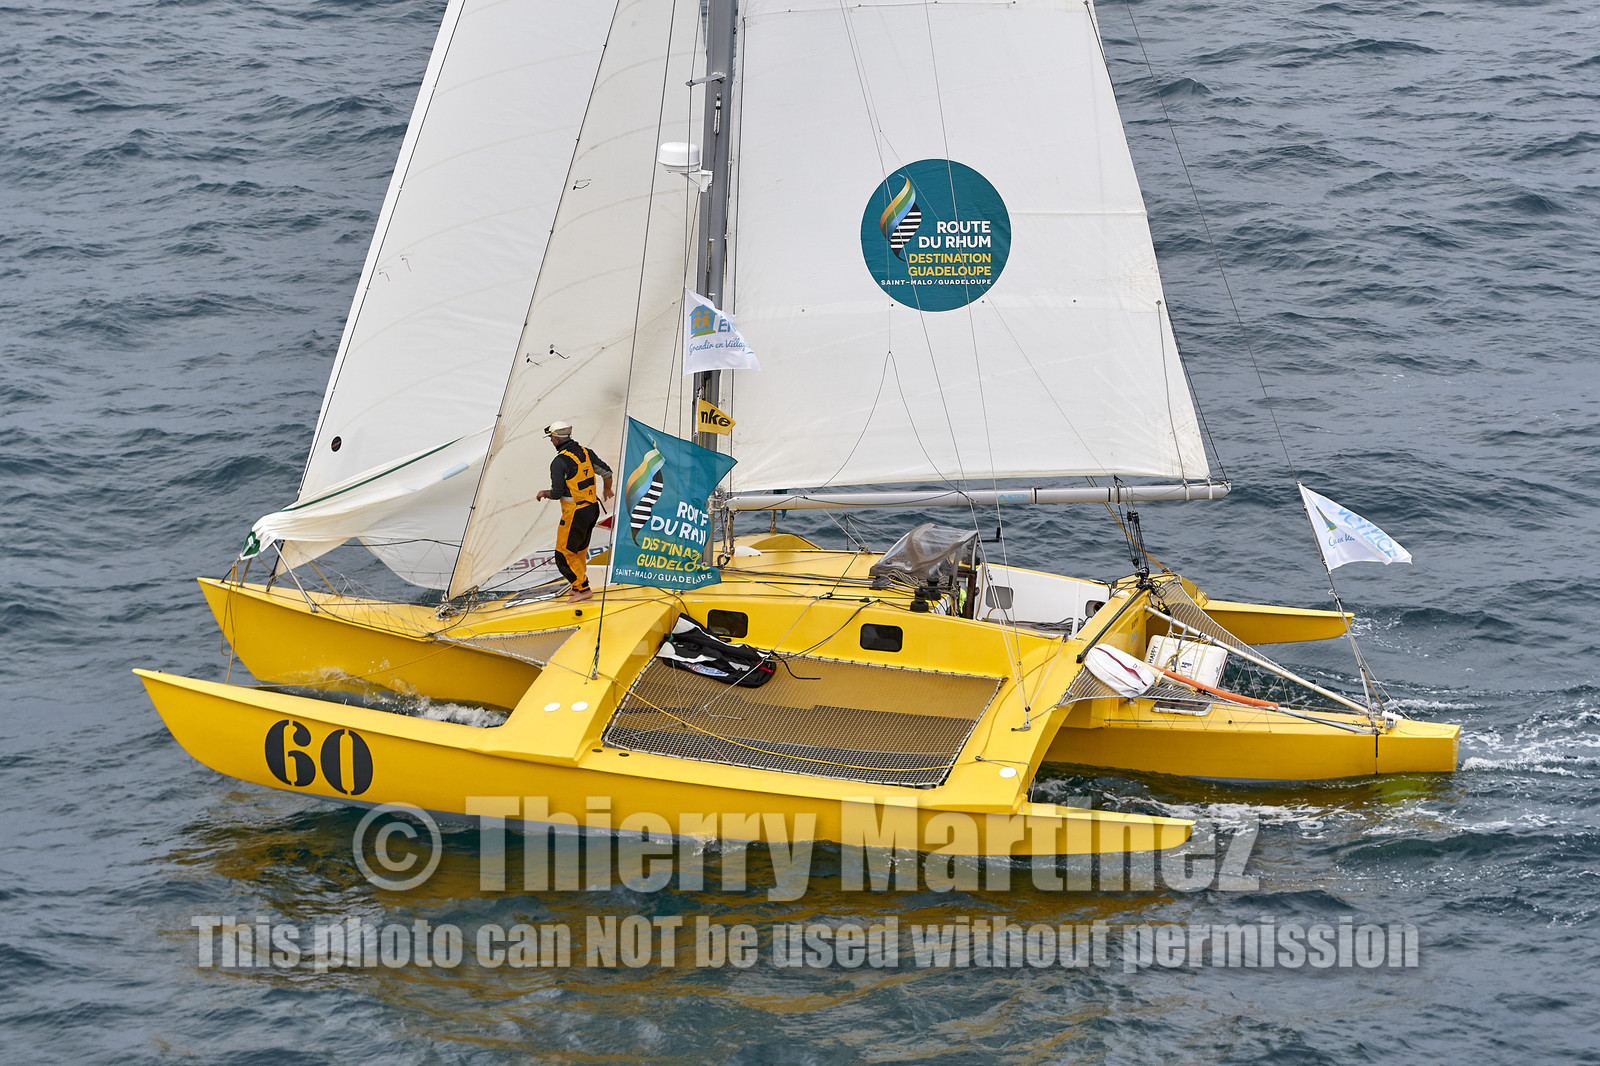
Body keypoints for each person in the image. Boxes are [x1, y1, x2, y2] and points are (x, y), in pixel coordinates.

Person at [534, 421, 615, 600]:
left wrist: (543, 493)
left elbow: (556, 493)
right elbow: (607, 473)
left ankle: (583, 590)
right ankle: (576, 585)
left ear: (556, 439)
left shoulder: (559, 462)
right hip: (592, 509)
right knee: (579, 550)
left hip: (575, 513)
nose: (551, 441)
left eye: (551, 439)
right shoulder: (586, 452)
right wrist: (607, 490)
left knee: (563, 554)